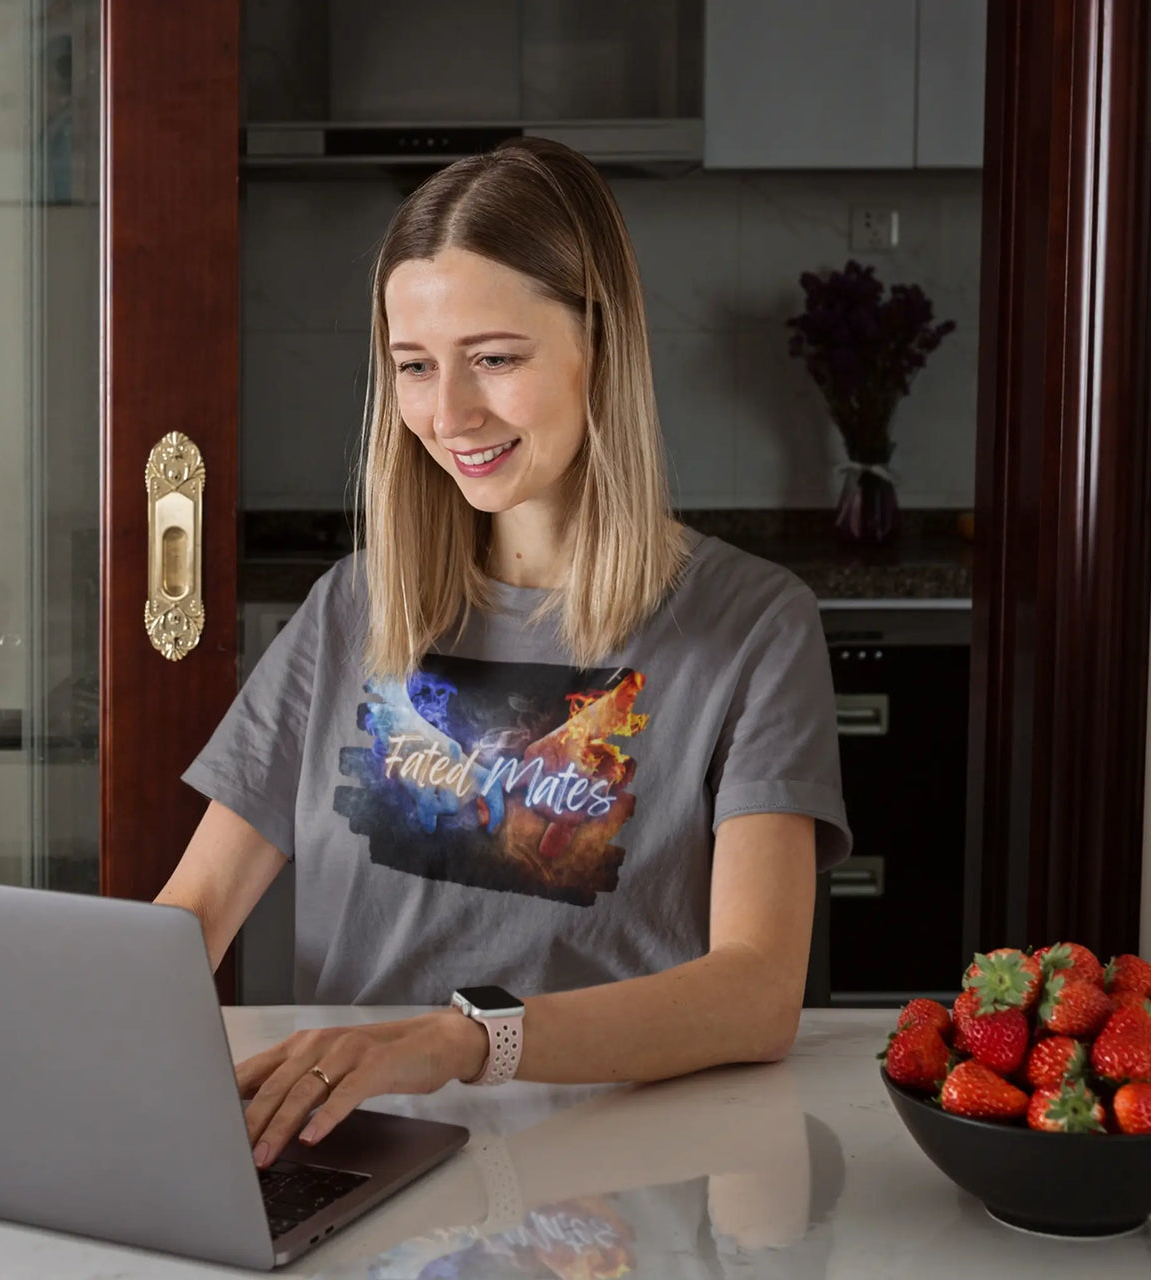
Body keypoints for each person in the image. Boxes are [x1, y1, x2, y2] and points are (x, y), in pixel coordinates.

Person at [155, 137, 852, 1172]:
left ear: (599, 348)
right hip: (359, 1153)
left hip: (621, 1167)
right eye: (414, 367)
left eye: (494, 357)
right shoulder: (351, 608)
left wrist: (458, 1039)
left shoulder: (751, 623)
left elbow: (755, 992)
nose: (449, 414)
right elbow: (188, 920)